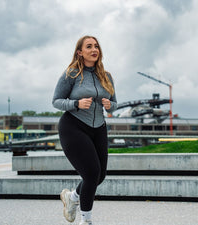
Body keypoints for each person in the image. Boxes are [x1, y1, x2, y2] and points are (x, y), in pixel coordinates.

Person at [52, 35, 117, 225]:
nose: (94, 49)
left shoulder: (107, 76)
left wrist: (109, 105)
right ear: (80, 52)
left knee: (100, 175)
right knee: (90, 173)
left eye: (96, 46)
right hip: (73, 126)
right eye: (89, 46)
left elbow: (114, 104)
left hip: (99, 127)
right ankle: (86, 221)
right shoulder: (71, 74)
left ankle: (72, 198)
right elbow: (56, 101)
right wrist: (76, 103)